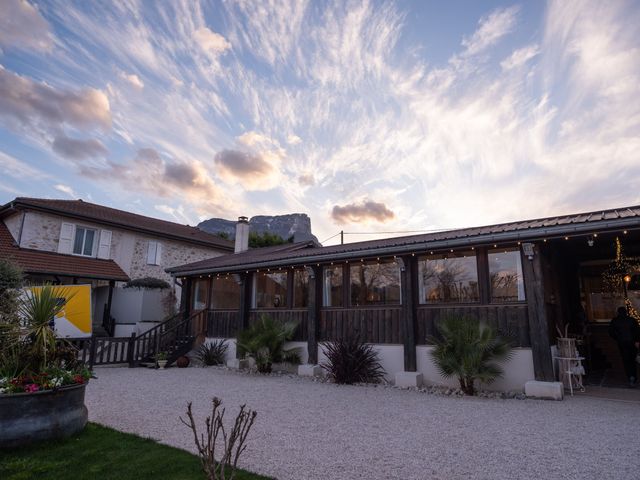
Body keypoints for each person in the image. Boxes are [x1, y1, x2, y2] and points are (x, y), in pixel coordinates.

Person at [608, 306, 640, 387]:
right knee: (633, 360)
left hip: (622, 343)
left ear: (618, 312)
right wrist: (636, 341)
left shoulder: (615, 321)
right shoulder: (632, 320)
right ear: (626, 312)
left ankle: (630, 377)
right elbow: (637, 331)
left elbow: (611, 332)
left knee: (626, 360)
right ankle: (634, 376)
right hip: (632, 343)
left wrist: (618, 338)